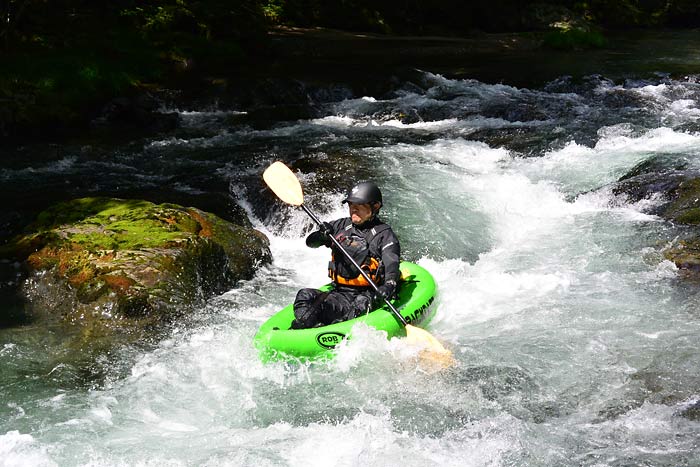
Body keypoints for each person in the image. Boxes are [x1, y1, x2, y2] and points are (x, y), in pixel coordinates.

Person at [290, 181, 401, 329]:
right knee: (304, 295)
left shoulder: (384, 234)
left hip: (368, 294)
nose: (353, 210)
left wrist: (389, 286)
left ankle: (335, 329)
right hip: (339, 293)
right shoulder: (340, 227)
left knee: (360, 305)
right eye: (351, 205)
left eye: (359, 206)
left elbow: (391, 261)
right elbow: (310, 243)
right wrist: (321, 236)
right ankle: (307, 325)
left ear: (375, 207)